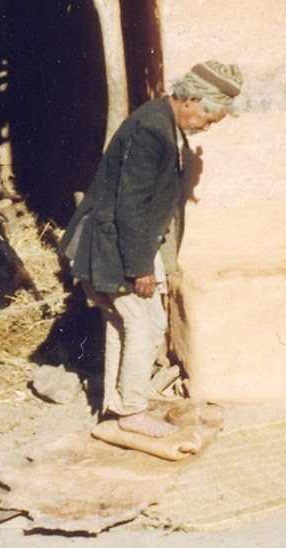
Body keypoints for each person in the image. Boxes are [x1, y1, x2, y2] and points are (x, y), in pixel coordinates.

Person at [59, 61, 244, 438]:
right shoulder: (151, 131)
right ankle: (132, 410)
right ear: (191, 99)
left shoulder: (165, 125)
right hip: (110, 245)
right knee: (143, 325)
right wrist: (141, 267)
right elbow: (131, 206)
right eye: (208, 119)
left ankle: (119, 401)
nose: (205, 128)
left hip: (121, 243)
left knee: (127, 322)